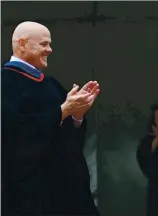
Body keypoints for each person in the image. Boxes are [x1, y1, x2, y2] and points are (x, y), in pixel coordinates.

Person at [1, 21, 100, 215]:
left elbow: (68, 139)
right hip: (30, 198)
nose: (50, 50)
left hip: (67, 194)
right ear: (22, 44)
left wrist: (77, 116)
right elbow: (13, 135)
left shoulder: (52, 84)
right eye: (44, 44)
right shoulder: (5, 83)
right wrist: (61, 112)